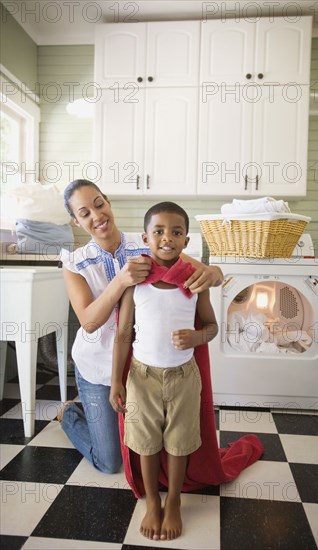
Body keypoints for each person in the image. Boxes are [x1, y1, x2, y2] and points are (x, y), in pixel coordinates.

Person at [58, 180, 223, 474]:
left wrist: (215, 272)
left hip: (142, 368)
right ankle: (70, 412)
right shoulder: (74, 264)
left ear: (107, 202)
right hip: (97, 367)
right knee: (110, 462)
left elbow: (200, 270)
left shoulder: (148, 240)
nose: (97, 216)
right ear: (76, 221)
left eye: (99, 204)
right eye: (84, 213)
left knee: (146, 446)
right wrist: (121, 279)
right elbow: (90, 322)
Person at [110, 201, 218, 541]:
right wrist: (117, 380)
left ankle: (173, 500)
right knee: (145, 441)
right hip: (142, 378)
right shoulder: (136, 281)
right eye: (158, 231)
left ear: (187, 241)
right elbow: (124, 333)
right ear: (146, 237)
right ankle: (153, 501)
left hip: (184, 377)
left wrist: (197, 336)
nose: (167, 238)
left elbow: (212, 326)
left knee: (179, 442)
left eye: (176, 232)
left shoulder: (193, 282)